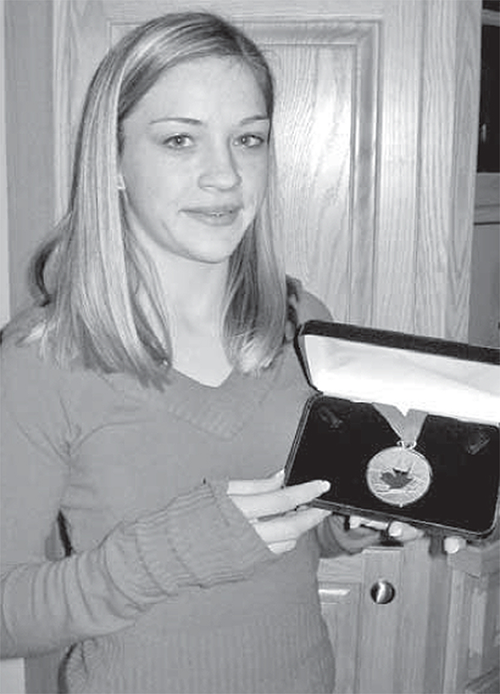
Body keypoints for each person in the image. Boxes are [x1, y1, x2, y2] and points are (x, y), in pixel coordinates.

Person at [1, 11, 457, 694]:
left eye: (248, 139)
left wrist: (356, 526)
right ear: (114, 161)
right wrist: (173, 551)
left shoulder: (305, 326)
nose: (225, 175)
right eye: (180, 140)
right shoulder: (42, 359)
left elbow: (299, 539)